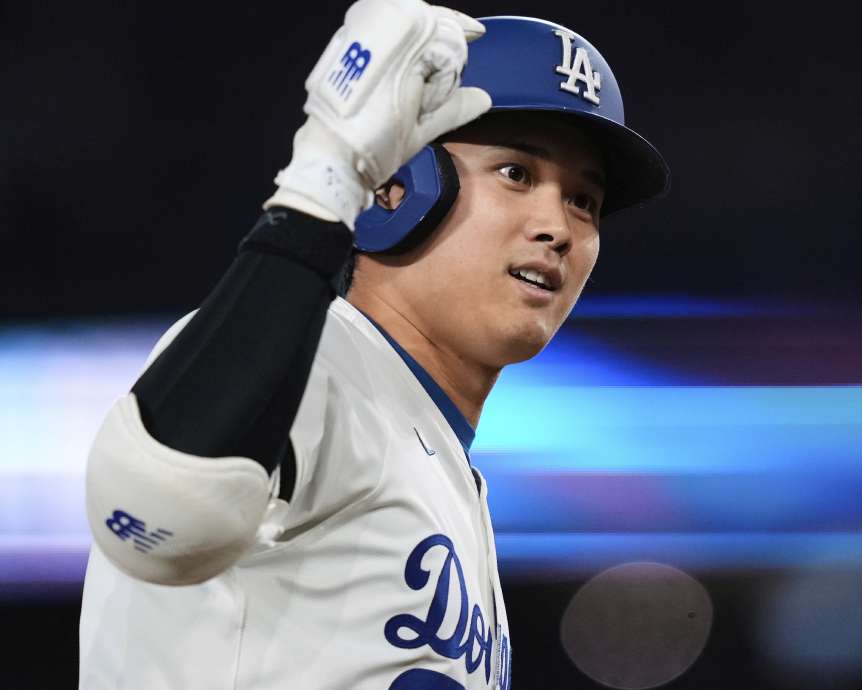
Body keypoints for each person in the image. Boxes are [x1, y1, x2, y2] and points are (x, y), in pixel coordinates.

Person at [76, 2, 668, 688]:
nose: (556, 226)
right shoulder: (313, 357)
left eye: (584, 202)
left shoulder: (448, 470)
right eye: (516, 173)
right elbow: (153, 512)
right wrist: (322, 184)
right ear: (400, 187)